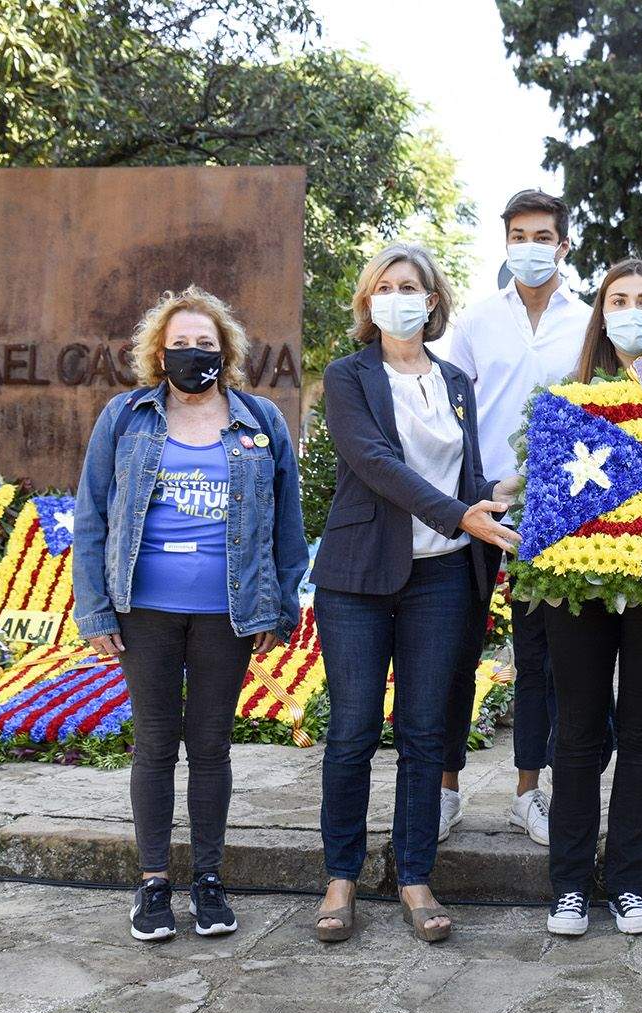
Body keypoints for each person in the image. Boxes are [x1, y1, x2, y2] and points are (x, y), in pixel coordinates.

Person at [73, 286, 307, 943]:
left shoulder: (260, 421)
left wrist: (278, 607)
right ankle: (153, 883)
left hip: (226, 612)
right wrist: (95, 610)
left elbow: (288, 527)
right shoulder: (126, 418)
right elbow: (91, 516)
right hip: (144, 609)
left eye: (205, 343)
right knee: (154, 743)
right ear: (159, 352)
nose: (192, 353)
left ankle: (208, 880)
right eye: (180, 343)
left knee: (209, 745)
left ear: (225, 351)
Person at [310, 244, 520, 944]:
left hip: (442, 579)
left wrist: (510, 489)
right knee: (352, 730)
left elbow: (466, 478)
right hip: (359, 578)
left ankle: (414, 875)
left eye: (411, 287)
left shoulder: (455, 380)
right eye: (385, 286)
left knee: (427, 735)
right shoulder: (347, 377)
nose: (397, 297)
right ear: (369, 300)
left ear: (432, 302)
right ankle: (341, 875)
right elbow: (374, 463)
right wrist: (459, 514)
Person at [542, 259, 642, 938]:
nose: (632, 312)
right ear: (601, 315)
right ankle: (570, 886)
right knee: (577, 736)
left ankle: (629, 883)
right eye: (618, 300)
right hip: (579, 589)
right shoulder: (566, 395)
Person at [439, 189, 599, 848]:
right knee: (453, 649)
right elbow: (449, 411)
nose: (530, 248)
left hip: (555, 507)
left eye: (542, 237)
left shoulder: (588, 322)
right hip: (479, 503)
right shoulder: (476, 322)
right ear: (506, 243)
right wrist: (469, 493)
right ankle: (444, 791)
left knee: (542, 658)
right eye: (519, 237)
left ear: (563, 245)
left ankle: (528, 794)